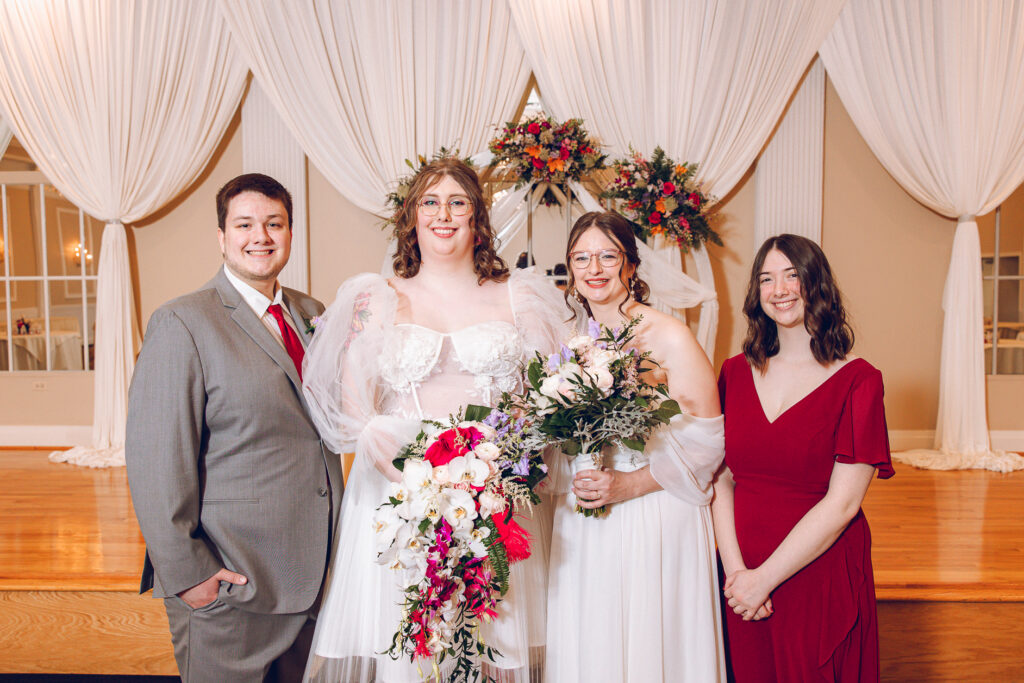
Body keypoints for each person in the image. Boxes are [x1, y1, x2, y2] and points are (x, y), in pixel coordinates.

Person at [302, 158, 568, 682]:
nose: (443, 215)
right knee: (408, 647)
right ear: (412, 217)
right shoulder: (375, 297)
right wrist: (423, 486)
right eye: (430, 202)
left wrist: (490, 477)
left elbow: (544, 400)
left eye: (458, 202)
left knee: (490, 639)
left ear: (477, 217)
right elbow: (356, 407)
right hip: (398, 495)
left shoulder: (521, 295)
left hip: (496, 496)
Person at [125, 173, 343, 682]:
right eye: (244, 224)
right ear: (221, 236)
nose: (260, 236)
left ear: (291, 233)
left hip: (313, 581)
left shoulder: (311, 314)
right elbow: (156, 462)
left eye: (274, 223)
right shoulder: (183, 322)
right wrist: (190, 576)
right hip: (231, 582)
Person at [545, 211, 727, 682]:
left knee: (652, 648)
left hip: (654, 508)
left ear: (630, 264)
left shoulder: (669, 334)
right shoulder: (568, 342)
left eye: (608, 255)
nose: (594, 268)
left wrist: (630, 485)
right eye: (581, 257)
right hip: (585, 515)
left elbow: (709, 440)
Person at [712, 234, 894, 682]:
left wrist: (765, 579)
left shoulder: (859, 380)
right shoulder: (734, 373)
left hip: (816, 570)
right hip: (740, 572)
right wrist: (738, 573)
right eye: (767, 278)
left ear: (817, 283)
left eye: (793, 275)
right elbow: (718, 478)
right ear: (757, 293)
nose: (781, 289)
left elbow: (843, 503)